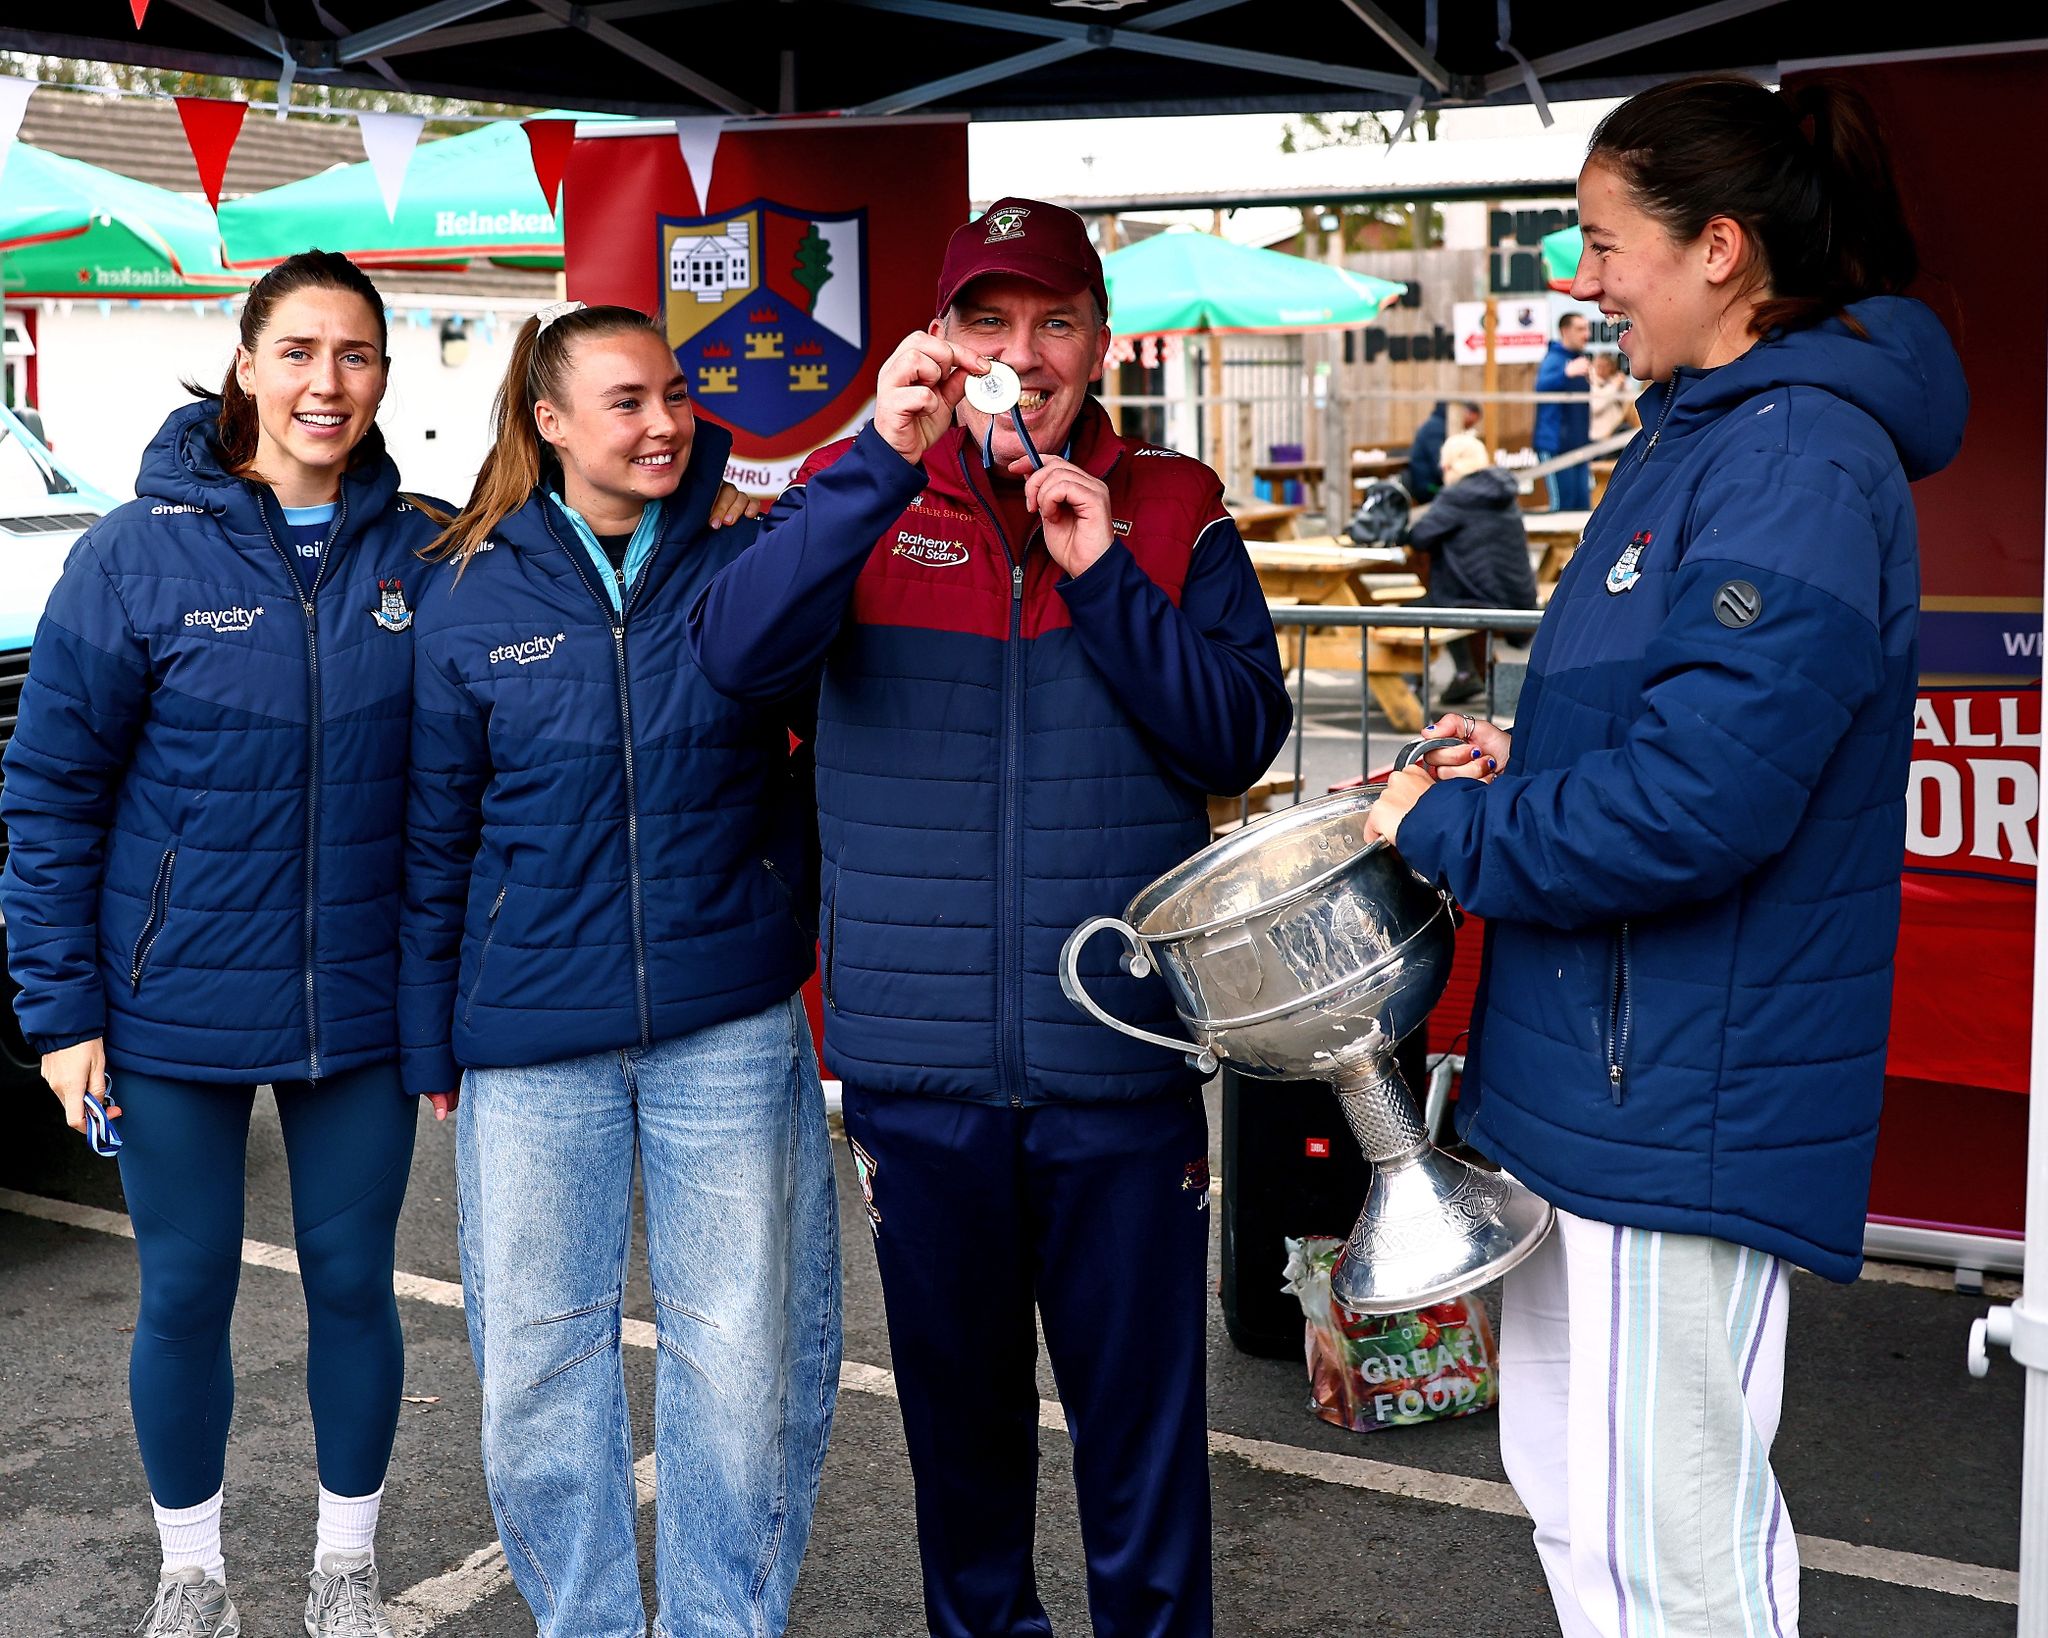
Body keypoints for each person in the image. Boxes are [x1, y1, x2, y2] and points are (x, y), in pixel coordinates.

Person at [1360, 75, 1967, 1638]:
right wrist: (1526, 762)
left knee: (1671, 1560)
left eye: (1600, 239)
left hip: (1674, 1098)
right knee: (1590, 1513)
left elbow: (1700, 805)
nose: (1581, 276)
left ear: (1719, 248)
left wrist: (1445, 826)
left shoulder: (1796, 455)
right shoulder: (1704, 434)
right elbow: (1682, 735)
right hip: (1598, 1087)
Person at [688, 197, 1291, 1638]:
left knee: (1143, 1450)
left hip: (1118, 1058)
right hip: (922, 1065)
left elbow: (1233, 738)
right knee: (961, 1453)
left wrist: (1104, 578)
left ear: (1101, 340)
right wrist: (871, 463)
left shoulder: (1174, 506)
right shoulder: (860, 488)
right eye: (990, 322)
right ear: (942, 340)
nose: (1025, 354)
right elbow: (735, 658)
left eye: (1055, 323)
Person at [0, 251, 437, 1638]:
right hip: (167, 1000)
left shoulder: (427, 550)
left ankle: (345, 1571)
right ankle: (192, 1576)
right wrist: (62, 1016)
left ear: (383, 374)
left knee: (355, 1283)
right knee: (185, 1288)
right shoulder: (134, 553)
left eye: (355, 354)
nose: (326, 382)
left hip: (358, 1000)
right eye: (298, 350)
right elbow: (50, 793)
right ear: (245, 362)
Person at [397, 301, 832, 1638]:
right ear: (549, 421)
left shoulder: (743, 556)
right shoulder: (467, 587)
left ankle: (721, 1623)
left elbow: (832, 757)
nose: (664, 423)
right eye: (628, 400)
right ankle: (582, 1623)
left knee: (742, 1360)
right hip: (530, 1035)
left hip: (727, 1018)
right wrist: (428, 1037)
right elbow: (436, 831)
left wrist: (784, 909)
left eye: (676, 395)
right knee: (537, 1369)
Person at [1408, 433, 1537, 707]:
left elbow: (1419, 537)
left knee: (1406, 613)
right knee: (1445, 596)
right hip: (1517, 597)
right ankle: (1468, 675)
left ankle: (1407, 689)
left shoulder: (1458, 495)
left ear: (1449, 465)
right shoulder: (1502, 491)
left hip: (1481, 600)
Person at [1533, 312, 1593, 510]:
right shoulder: (1554, 359)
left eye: (1587, 328)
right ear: (1565, 331)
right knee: (1562, 507)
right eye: (1580, 329)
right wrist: (1565, 373)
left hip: (1579, 446)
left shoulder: (1578, 359)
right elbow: (1540, 387)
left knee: (1582, 506)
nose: (1586, 334)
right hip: (1557, 446)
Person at [1403, 398, 1482, 501]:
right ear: (1466, 413)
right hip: (1430, 487)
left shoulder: (1443, 426)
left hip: (1434, 484)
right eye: (1470, 423)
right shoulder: (1436, 429)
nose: (1469, 426)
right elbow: (1440, 465)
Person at [1587, 350, 1640, 443]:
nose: (1602, 369)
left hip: (1616, 432)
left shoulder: (1615, 382)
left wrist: (1623, 387)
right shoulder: (1589, 383)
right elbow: (1596, 407)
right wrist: (1614, 387)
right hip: (1599, 437)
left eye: (1606, 366)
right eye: (1599, 366)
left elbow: (1630, 404)